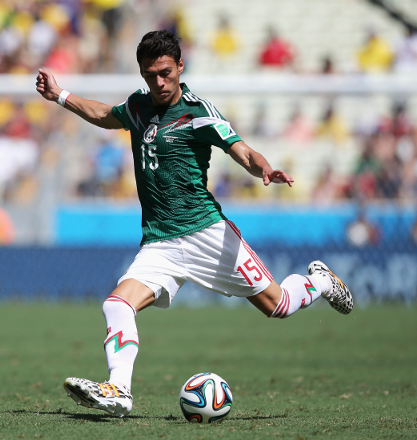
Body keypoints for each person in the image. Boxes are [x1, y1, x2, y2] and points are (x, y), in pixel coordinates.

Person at [36, 30, 353, 418]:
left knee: (279, 305)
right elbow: (105, 115)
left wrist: (264, 168)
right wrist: (61, 95)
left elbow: (241, 150)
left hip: (207, 233)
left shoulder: (199, 112)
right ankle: (119, 390)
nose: (158, 82)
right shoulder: (137, 106)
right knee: (117, 304)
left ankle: (320, 281)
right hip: (160, 242)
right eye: (150, 75)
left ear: (180, 66)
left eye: (165, 73)